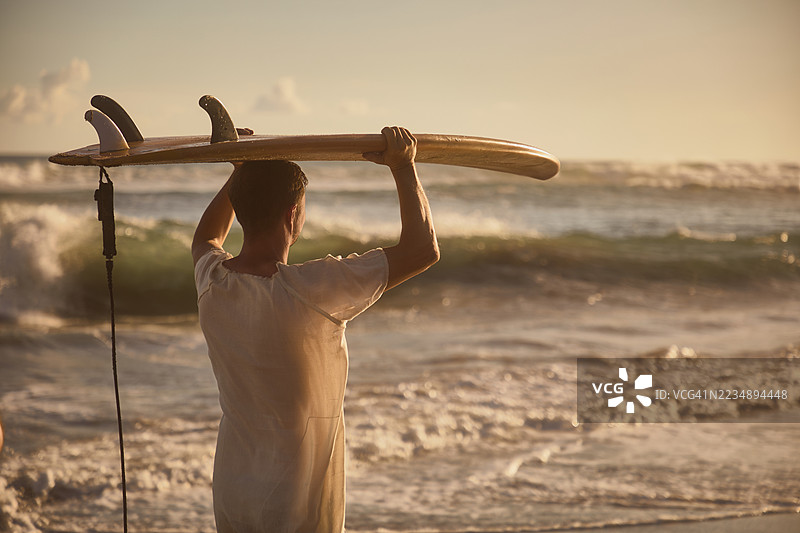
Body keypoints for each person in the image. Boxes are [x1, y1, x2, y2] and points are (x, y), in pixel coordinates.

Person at [192, 126, 438, 533]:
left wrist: (240, 171)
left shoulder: (212, 280)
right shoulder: (311, 289)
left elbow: (207, 236)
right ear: (294, 213)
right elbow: (423, 249)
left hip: (233, 490)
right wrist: (403, 166)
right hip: (294, 502)